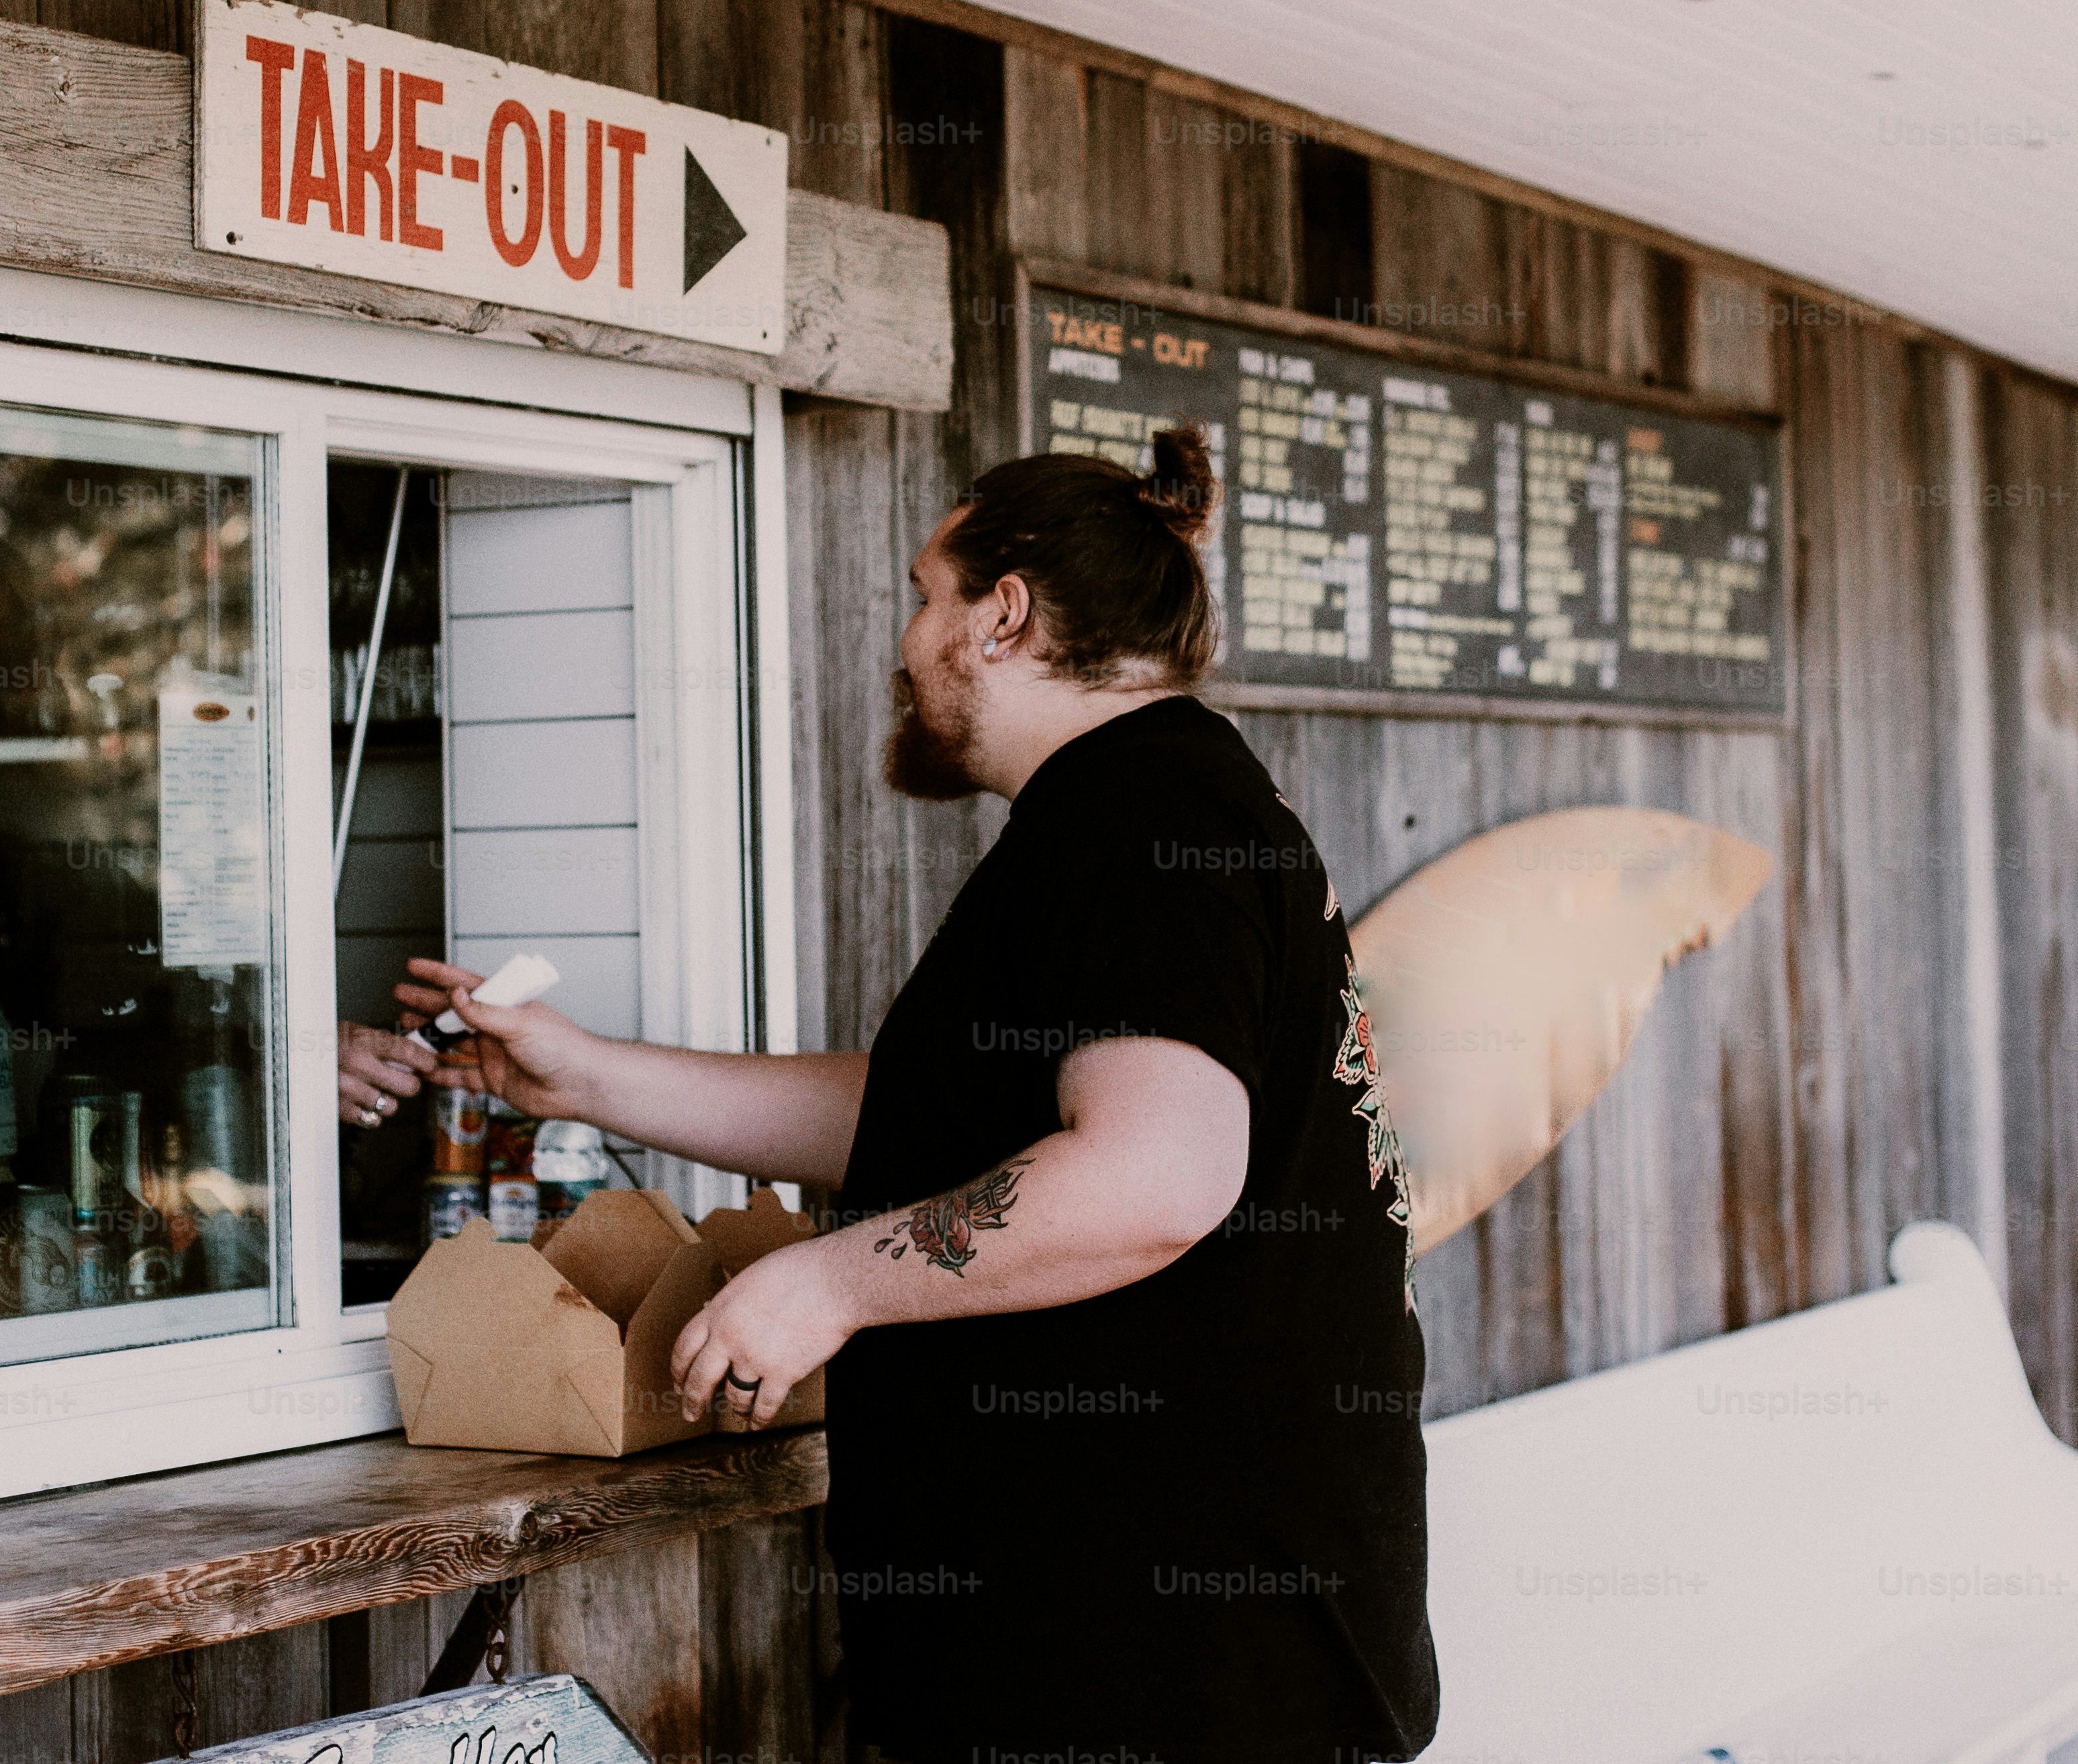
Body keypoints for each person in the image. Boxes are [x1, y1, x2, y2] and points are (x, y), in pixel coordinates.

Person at [390, 423, 1435, 1764]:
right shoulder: (1147, 803)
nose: (903, 641)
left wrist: (826, 1281)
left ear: (1001, 614)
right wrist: (584, 1073)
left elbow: (1150, 1174)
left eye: (920, 593)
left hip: (1170, 1677)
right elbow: (935, 1122)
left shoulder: (1135, 815)